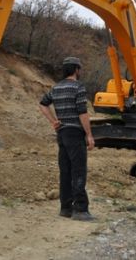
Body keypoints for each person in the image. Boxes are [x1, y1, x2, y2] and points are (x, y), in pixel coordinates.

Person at [39, 57, 95, 221]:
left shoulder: (56, 88)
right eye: (80, 69)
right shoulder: (78, 87)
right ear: (76, 69)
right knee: (78, 170)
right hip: (75, 133)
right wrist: (89, 135)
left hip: (62, 134)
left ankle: (65, 208)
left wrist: (53, 121)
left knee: (65, 171)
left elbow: (43, 104)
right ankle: (80, 209)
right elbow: (82, 112)